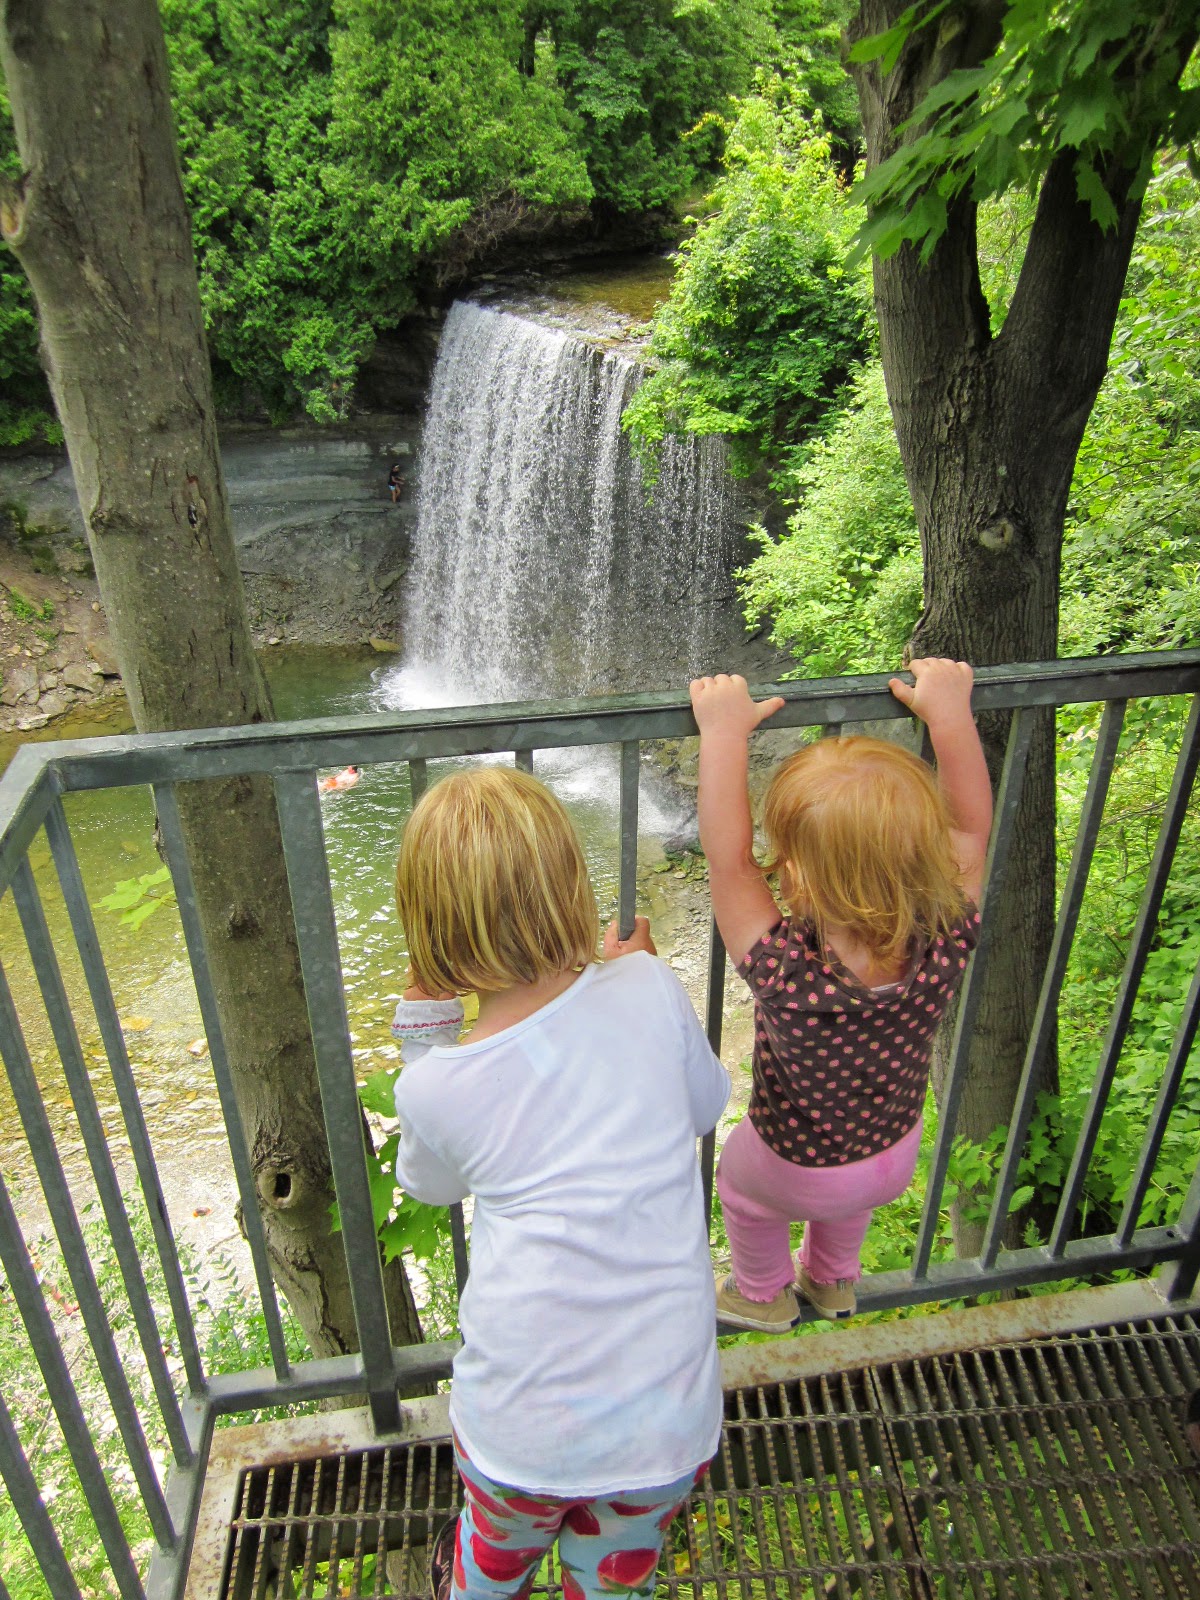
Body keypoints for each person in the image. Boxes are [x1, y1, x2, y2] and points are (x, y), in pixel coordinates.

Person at [389, 766, 730, 1600]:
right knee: (614, 1582)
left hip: (519, 1432)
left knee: (493, 1560)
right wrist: (639, 981)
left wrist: (422, 1039)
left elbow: (430, 1185)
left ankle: (474, 1582)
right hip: (665, 1423)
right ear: (571, 889)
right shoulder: (648, 986)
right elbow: (703, 1106)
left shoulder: (436, 1084)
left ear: (428, 931)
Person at [689, 660, 992, 1331]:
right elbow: (972, 830)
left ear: (797, 874)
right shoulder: (949, 934)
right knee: (846, 1197)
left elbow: (728, 858)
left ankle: (761, 1293)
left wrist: (723, 733)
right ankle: (831, 1281)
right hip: (891, 1155)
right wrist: (949, 716)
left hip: (791, 1163)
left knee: (740, 1191)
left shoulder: (785, 967)